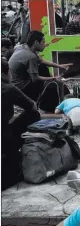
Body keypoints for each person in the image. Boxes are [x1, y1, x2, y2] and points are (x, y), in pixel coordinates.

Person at [1, 59, 40, 190]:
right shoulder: (8, 88)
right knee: (34, 114)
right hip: (5, 139)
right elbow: (33, 107)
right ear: (3, 74)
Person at [8, 30, 71, 112]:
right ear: (36, 42)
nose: (45, 45)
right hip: (21, 87)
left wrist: (59, 66)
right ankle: (47, 106)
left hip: (15, 82)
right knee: (54, 84)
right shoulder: (30, 56)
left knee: (43, 68)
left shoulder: (22, 47)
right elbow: (35, 79)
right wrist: (54, 78)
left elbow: (41, 61)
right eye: (43, 42)